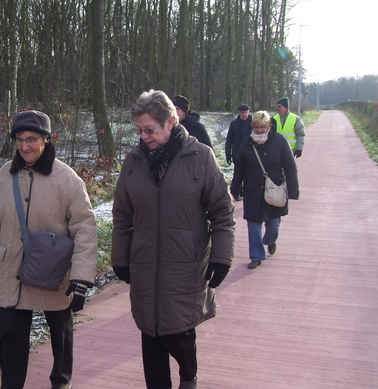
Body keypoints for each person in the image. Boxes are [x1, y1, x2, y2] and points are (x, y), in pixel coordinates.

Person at [112, 90, 235, 389]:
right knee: (150, 335)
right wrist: (120, 258)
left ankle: (188, 376)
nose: (144, 137)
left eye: (149, 130)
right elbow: (122, 216)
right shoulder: (133, 161)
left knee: (180, 335)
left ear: (170, 122)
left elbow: (222, 212)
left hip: (186, 267)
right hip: (145, 266)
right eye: (140, 130)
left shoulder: (201, 157)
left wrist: (222, 257)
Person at [0, 110, 98, 389]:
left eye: (31, 139)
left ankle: (61, 382)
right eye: (19, 139)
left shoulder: (67, 179)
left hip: (52, 272)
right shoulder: (4, 174)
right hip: (10, 270)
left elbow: (84, 228)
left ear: (46, 139)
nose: (24, 146)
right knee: (9, 338)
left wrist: (81, 277)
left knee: (61, 332)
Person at [230, 111, 299, 270]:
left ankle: (270, 240)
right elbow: (239, 168)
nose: (259, 130)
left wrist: (293, 190)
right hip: (252, 190)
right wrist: (235, 189)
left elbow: (290, 167)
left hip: (274, 189)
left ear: (269, 126)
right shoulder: (247, 143)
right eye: (256, 127)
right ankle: (256, 255)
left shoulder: (279, 141)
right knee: (253, 225)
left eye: (263, 127)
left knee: (273, 223)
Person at [225, 104, 252, 200]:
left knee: (249, 174)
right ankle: (235, 193)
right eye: (242, 113)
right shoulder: (234, 124)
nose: (244, 115)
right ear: (239, 113)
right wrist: (228, 154)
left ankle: (247, 192)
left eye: (245, 112)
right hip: (237, 153)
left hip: (251, 152)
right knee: (238, 174)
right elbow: (229, 140)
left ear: (249, 112)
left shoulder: (254, 123)